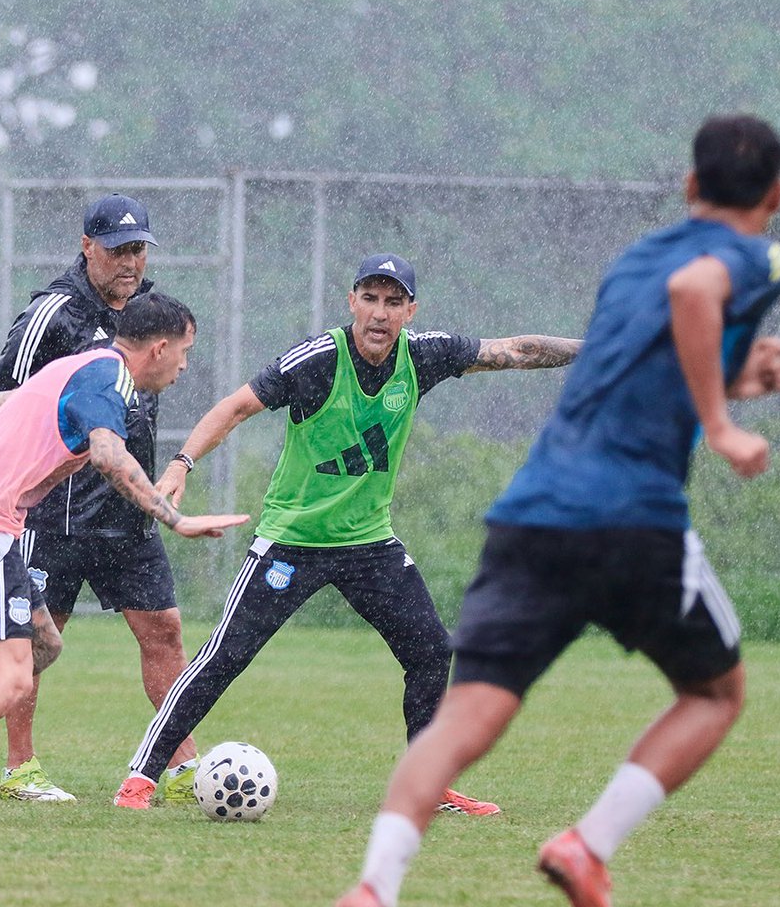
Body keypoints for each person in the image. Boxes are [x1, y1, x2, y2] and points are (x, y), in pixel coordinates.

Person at [333, 115, 780, 907]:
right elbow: (696, 296)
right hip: (632, 517)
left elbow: (646, 363)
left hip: (532, 512)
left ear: (689, 188)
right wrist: (724, 423)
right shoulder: (760, 253)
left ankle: (375, 890)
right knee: (716, 692)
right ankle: (588, 846)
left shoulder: (630, 265)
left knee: (468, 712)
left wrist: (730, 377)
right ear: (776, 195)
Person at [113, 252, 583, 812]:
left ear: (410, 310)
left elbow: (515, 351)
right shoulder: (317, 360)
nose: (379, 313)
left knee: (432, 651)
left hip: (369, 544)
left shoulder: (424, 356)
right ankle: (140, 778)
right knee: (225, 655)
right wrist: (180, 464)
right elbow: (236, 407)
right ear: (351, 302)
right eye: (369, 299)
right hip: (292, 540)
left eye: (392, 302)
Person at [0, 292, 248, 828]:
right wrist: (176, 520)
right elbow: (110, 456)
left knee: (43, 643)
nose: (185, 365)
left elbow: (12, 402)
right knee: (10, 681)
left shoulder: (85, 363)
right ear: (159, 348)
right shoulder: (109, 380)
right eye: (185, 352)